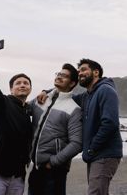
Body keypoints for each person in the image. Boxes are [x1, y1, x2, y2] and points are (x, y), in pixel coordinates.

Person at [38, 59, 123, 195]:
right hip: (96, 154)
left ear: (96, 72)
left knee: (95, 192)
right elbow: (65, 96)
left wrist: (91, 148)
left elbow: (110, 123)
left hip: (105, 153)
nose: (80, 74)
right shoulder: (86, 96)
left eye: (83, 69)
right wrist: (46, 91)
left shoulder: (106, 90)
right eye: (78, 72)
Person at [0, 44, 33, 195]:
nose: (22, 85)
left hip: (18, 175)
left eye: (26, 83)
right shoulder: (2, 103)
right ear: (11, 89)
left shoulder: (28, 111)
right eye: (18, 83)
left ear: (30, 88)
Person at [28, 63, 82, 195]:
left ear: (72, 83)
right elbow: (22, 110)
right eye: (58, 74)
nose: (59, 77)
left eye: (64, 76)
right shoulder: (41, 99)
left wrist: (53, 162)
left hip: (54, 171)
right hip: (36, 167)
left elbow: (77, 143)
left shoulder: (74, 109)